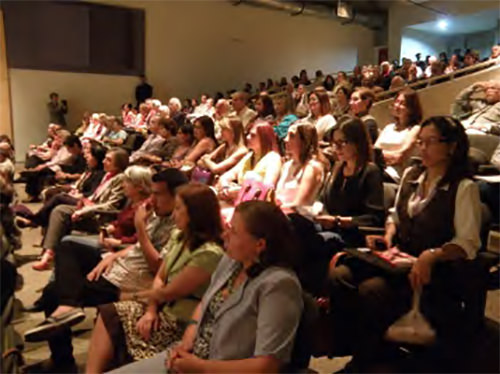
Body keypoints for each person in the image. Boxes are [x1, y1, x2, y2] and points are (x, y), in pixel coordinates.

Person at [328, 116, 481, 371]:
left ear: (451, 146)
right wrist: (387, 234)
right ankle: (360, 347)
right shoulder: (412, 175)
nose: (422, 148)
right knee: (340, 275)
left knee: (371, 290)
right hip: (398, 259)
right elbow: (394, 216)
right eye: (420, 142)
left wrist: (432, 255)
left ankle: (371, 360)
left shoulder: (463, 188)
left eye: (430, 142)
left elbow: (467, 242)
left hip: (433, 272)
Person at [109, 201, 303, 374]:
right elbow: (204, 303)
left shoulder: (279, 285)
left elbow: (266, 366)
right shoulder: (232, 262)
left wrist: (201, 368)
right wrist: (186, 342)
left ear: (260, 244)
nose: (225, 234)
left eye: (233, 231)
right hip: (193, 358)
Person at [23, 169, 189, 372]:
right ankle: (68, 307)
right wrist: (114, 255)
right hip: (122, 264)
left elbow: (158, 266)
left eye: (158, 194)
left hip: (131, 280)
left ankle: (63, 358)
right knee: (68, 247)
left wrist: (140, 229)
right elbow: (136, 247)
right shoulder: (158, 213)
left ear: (177, 195)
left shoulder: (180, 225)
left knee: (53, 292)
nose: (152, 199)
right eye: (151, 193)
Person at [85, 183, 224, 373]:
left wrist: (135, 296)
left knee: (110, 303)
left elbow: (171, 291)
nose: (174, 215)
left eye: (178, 209)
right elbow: (160, 275)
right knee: (108, 310)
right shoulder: (179, 236)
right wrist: (150, 310)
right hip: (160, 305)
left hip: (182, 320)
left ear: (195, 214)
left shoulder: (210, 253)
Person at [32, 148, 129, 270]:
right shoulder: (108, 175)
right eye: (105, 158)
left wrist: (85, 209)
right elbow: (96, 195)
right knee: (58, 207)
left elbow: (111, 205)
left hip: (101, 216)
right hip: (90, 207)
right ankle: (48, 253)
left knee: (60, 209)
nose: (104, 161)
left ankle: (48, 253)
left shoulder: (120, 178)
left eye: (108, 160)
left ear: (119, 163)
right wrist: (83, 201)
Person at [315, 115, 384, 247]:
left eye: (343, 142)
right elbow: (322, 199)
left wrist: (339, 221)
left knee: (317, 241)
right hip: (331, 229)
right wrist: (321, 214)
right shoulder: (338, 168)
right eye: (334, 143)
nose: (337, 148)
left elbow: (374, 218)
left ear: (357, 142)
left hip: (353, 235)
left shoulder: (370, 171)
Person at [16, 143, 107, 229]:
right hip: (78, 193)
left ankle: (34, 220)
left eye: (89, 154)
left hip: (85, 201)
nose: (85, 156)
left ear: (97, 158)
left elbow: (91, 193)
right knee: (51, 192)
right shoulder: (91, 169)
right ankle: (43, 226)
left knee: (58, 198)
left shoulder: (100, 173)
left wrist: (75, 193)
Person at [218, 122, 282, 195]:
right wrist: (225, 186)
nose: (247, 137)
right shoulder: (249, 156)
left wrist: (238, 190)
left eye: (253, 135)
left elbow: (267, 188)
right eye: (248, 134)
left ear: (264, 139)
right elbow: (228, 175)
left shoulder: (273, 158)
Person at [374, 88, 423, 182]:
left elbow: (400, 157)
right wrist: (388, 156)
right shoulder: (388, 127)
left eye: (402, 104)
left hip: (394, 175)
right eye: (396, 102)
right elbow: (374, 152)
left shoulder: (415, 129)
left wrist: (381, 155)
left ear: (411, 109)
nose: (397, 106)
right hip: (379, 170)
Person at [276, 123, 324, 208]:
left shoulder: (311, 168)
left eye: (292, 136)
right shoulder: (286, 166)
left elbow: (300, 204)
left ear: (304, 141)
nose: (285, 140)